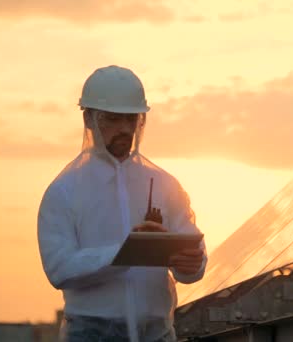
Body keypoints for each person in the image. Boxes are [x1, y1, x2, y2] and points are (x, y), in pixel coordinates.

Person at [37, 65, 207, 342]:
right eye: (114, 119)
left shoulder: (166, 185)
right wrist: (126, 253)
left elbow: (191, 252)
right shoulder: (63, 192)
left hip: (157, 333)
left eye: (132, 119)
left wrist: (193, 264)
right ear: (89, 119)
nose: (125, 129)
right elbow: (59, 268)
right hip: (90, 334)